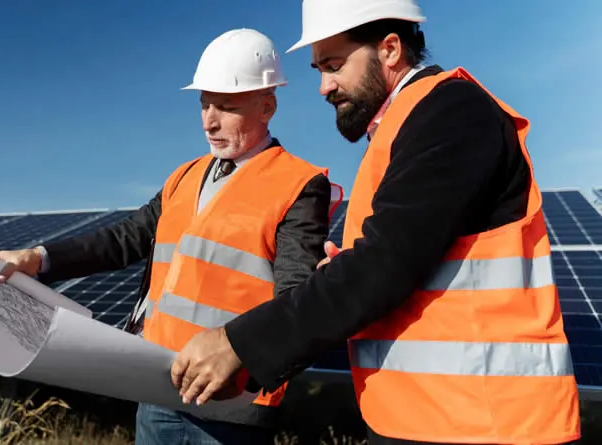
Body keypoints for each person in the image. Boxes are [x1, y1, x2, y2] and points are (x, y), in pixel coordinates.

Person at [169, 1, 583, 444]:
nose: (324, 87)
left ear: (389, 49)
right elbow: (400, 262)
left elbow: (386, 264)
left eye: (333, 65)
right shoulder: (398, 130)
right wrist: (346, 269)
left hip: (488, 421)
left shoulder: (451, 112)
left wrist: (240, 344)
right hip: (430, 416)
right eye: (318, 70)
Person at [0, 28, 339, 445]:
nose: (210, 120)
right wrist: (40, 258)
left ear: (267, 106)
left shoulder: (298, 184)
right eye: (204, 104)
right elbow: (126, 237)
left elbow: (295, 296)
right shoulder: (184, 176)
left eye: (226, 107)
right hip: (156, 393)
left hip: (227, 411)